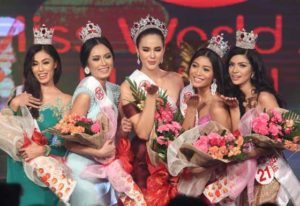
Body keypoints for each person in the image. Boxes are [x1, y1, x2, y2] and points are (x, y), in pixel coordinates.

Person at [65, 21, 145, 206]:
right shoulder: (86, 94)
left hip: (106, 167)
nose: (103, 63)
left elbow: (116, 137)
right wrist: (97, 151)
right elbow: (68, 141)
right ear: (86, 65)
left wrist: (124, 129)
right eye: (96, 58)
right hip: (83, 168)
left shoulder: (115, 91)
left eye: (107, 56)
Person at [221, 29, 299, 205]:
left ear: (253, 71)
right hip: (242, 173)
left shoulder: (264, 97)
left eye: (242, 65)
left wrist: (257, 151)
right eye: (231, 65)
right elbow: (235, 139)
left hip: (268, 172)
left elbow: (282, 136)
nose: (235, 70)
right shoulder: (232, 100)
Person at [7, 24, 71, 206]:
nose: (40, 69)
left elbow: (70, 146)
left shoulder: (67, 101)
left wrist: (45, 149)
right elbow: (4, 129)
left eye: (45, 62)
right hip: (18, 170)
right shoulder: (20, 94)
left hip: (44, 177)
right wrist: (13, 104)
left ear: (55, 64)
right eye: (35, 64)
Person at [120, 15, 184, 190]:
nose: (152, 55)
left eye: (157, 49)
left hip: (175, 157)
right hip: (144, 160)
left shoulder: (177, 79)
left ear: (164, 50)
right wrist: (150, 98)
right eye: (146, 49)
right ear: (137, 50)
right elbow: (142, 132)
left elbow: (186, 123)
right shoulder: (128, 86)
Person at [167, 35, 231, 204]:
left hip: (213, 184)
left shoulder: (217, 106)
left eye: (206, 69)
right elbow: (183, 139)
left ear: (214, 75)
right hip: (190, 177)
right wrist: (191, 109)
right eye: (195, 66)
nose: (197, 72)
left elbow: (228, 150)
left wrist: (202, 167)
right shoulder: (188, 96)